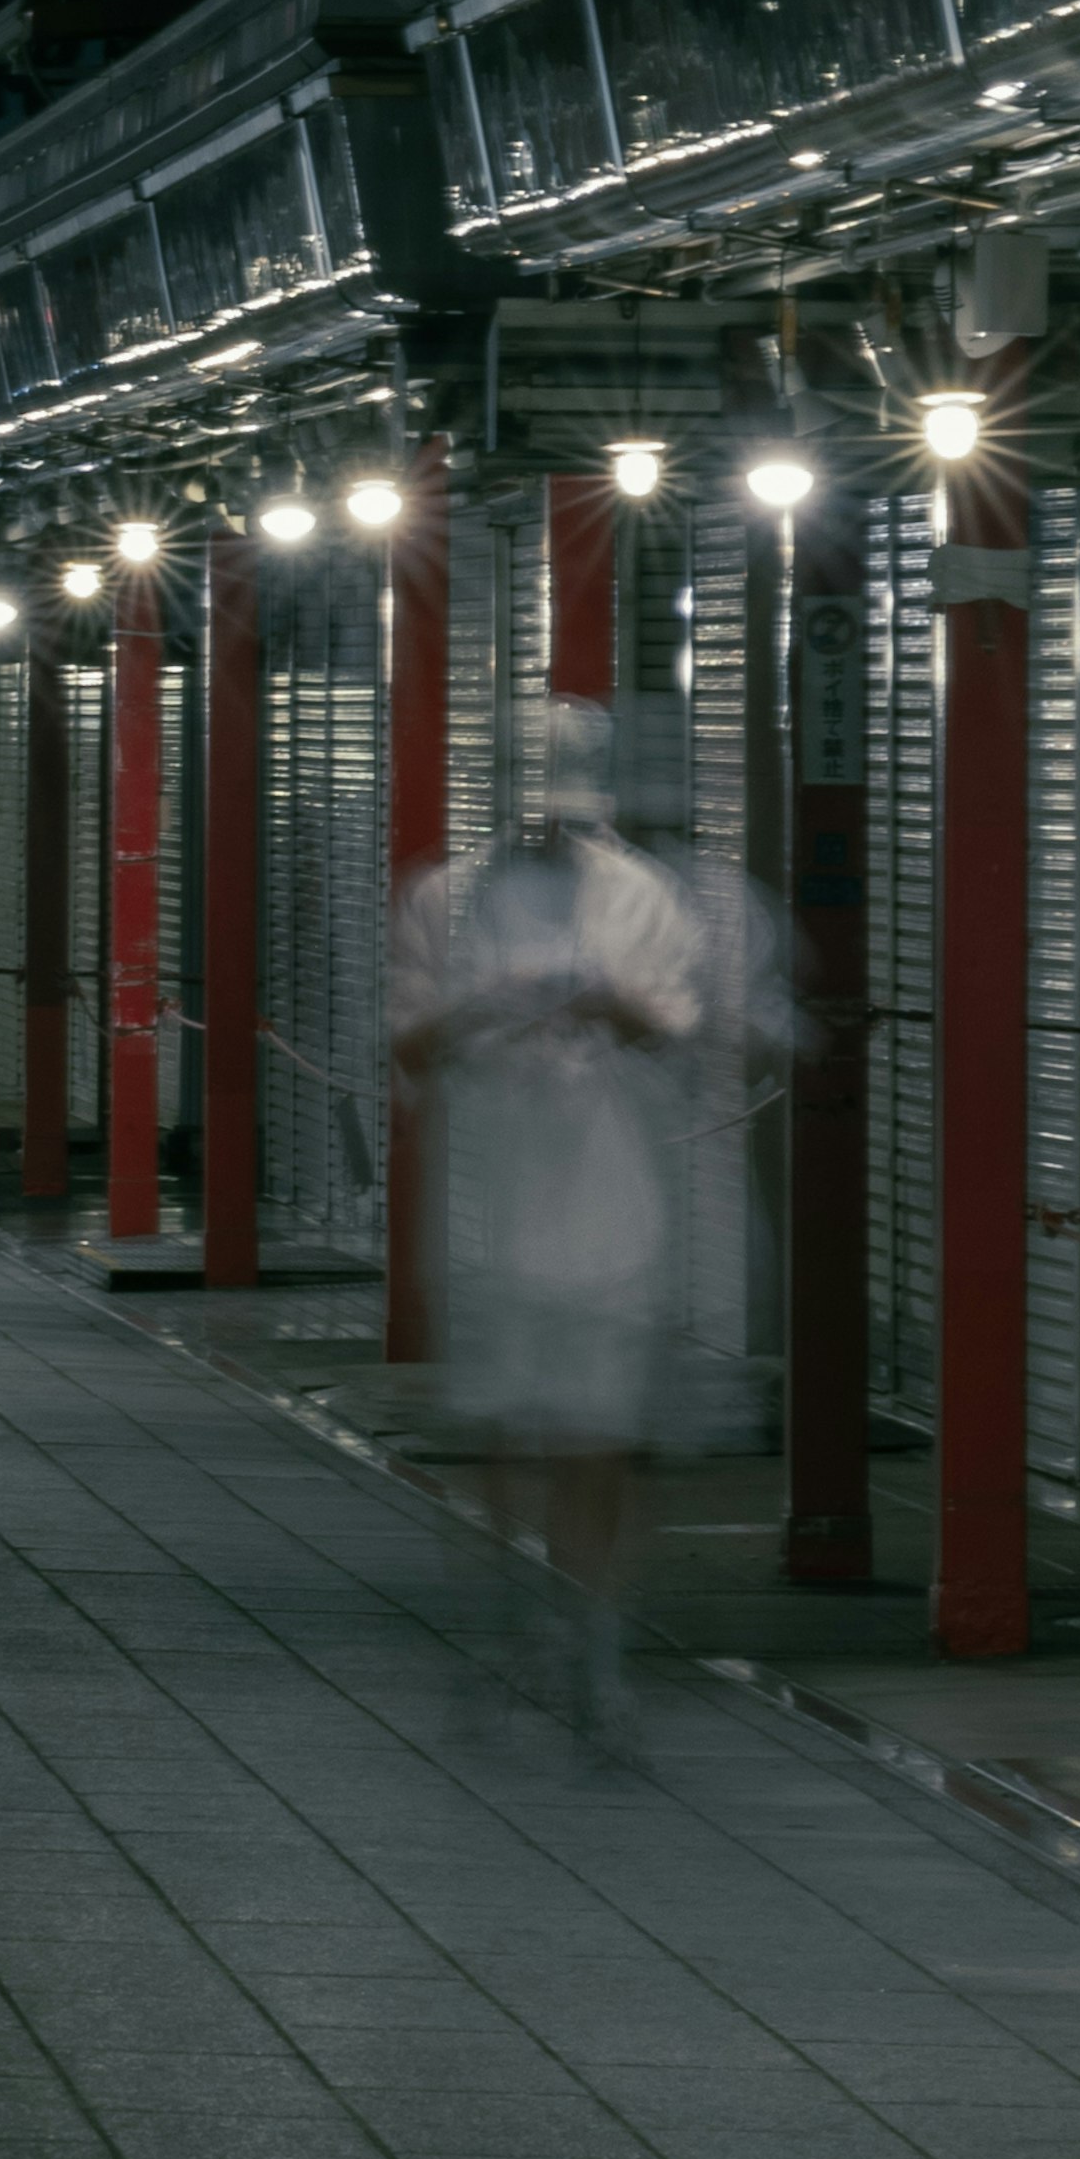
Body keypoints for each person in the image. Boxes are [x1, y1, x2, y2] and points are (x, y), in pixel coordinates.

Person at [395, 695, 708, 1752]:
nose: (555, 836)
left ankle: (596, 1647)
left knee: (600, 1440)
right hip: (492, 1205)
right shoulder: (448, 896)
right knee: (501, 1437)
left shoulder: (646, 897)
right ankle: (513, 1622)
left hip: (615, 1209)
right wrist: (489, 1003)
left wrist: (604, 1000)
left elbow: (680, 1029)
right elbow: (408, 1041)